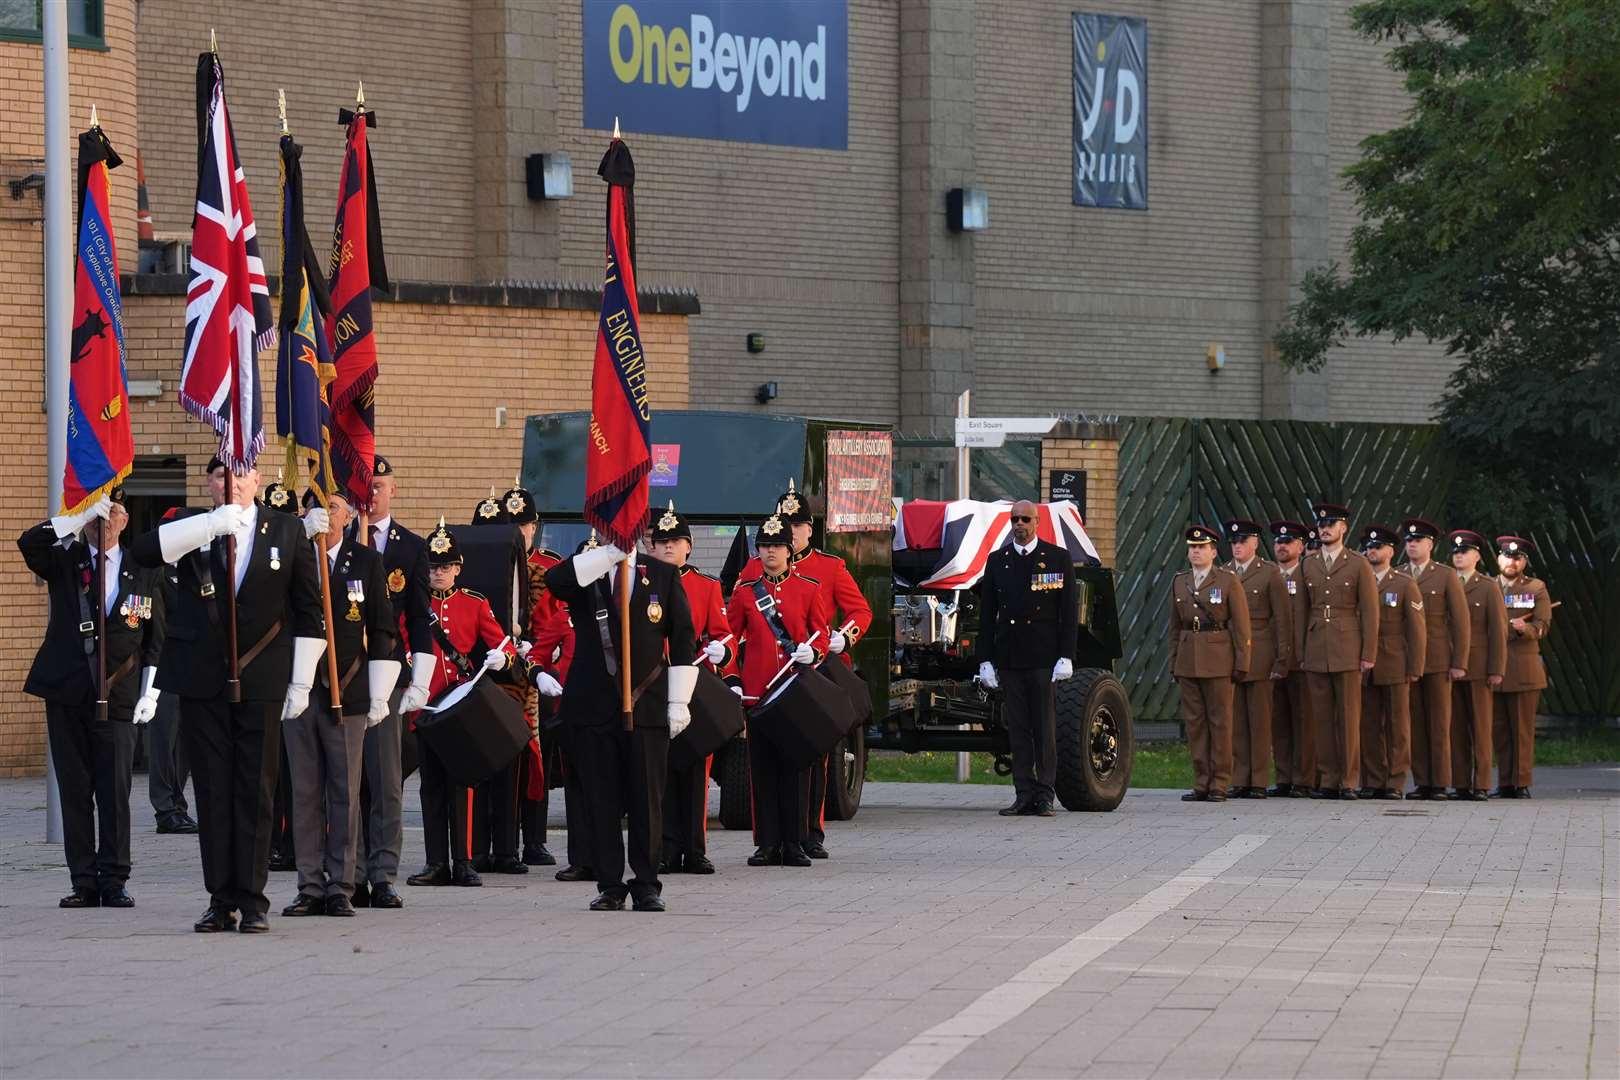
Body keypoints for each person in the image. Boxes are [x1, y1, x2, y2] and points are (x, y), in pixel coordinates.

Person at [128, 457, 325, 933]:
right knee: (213, 791)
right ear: (209, 481)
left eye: (240, 473)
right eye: (219, 474)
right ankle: (220, 898)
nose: (230, 482)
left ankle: (253, 899)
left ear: (258, 480)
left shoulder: (284, 530)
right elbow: (143, 553)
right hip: (201, 679)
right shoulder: (192, 527)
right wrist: (210, 526)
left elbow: (307, 609)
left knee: (256, 789)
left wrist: (301, 680)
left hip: (262, 678)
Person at [18, 487, 165, 908]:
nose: (104, 524)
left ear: (124, 520)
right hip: (67, 691)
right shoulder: (67, 561)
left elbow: (155, 638)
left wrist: (150, 689)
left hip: (118, 694)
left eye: (111, 514)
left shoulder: (142, 569)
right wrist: (75, 517)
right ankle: (83, 880)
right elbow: (28, 543)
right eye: (97, 517)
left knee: (115, 790)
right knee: (75, 788)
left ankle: (114, 878)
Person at [543, 529, 696, 911]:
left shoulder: (661, 574)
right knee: (602, 799)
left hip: (646, 706)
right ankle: (610, 884)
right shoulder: (589, 572)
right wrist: (608, 555)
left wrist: (679, 700)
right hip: (594, 707)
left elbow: (681, 640)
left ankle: (646, 883)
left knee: (647, 799)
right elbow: (554, 581)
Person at [279, 491, 397, 918]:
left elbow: (383, 627)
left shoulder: (365, 562)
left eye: (331, 506)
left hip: (348, 692)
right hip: (301, 691)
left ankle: (342, 885)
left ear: (349, 516)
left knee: (344, 791)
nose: (324, 514)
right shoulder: (296, 560)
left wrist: (381, 688)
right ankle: (309, 884)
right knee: (305, 789)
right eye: (316, 507)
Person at [740, 481, 873, 857]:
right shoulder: (755, 568)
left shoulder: (828, 568)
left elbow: (860, 611)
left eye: (796, 525)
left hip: (814, 673)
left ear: (808, 529)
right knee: (766, 762)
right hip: (769, 677)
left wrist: (843, 638)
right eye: (783, 523)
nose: (789, 531)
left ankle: (809, 831)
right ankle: (772, 838)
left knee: (813, 757)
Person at [400, 519, 515, 888]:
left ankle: (463, 861)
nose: (439, 573)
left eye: (446, 566)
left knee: (461, 786)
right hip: (426, 704)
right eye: (433, 566)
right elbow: (402, 644)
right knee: (431, 786)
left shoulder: (475, 603)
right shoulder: (413, 604)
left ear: (458, 568)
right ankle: (436, 862)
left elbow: (503, 644)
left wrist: (503, 658)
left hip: (460, 706)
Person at [352, 454, 431, 910]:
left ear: (394, 489)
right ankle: (352, 871)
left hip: (389, 675)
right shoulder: (340, 542)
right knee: (348, 781)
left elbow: (420, 618)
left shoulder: (410, 547)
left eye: (380, 484)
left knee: (385, 781)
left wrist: (419, 678)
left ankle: (382, 874)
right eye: (368, 485)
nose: (373, 493)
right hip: (344, 675)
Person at [729, 508, 829, 866]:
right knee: (763, 770)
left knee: (797, 769)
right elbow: (730, 638)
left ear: (790, 551)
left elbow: (822, 635)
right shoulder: (744, 593)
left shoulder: (809, 589)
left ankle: (796, 840)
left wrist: (811, 651)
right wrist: (732, 678)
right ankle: (767, 842)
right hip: (759, 692)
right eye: (764, 546)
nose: (770, 552)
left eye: (777, 546)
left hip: (795, 692)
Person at [976, 498, 1078, 816]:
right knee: (1018, 728)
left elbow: (1068, 612)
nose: (1019, 524)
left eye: (1025, 519)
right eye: (1014, 519)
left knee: (1044, 727)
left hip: (1043, 656)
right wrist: (985, 660)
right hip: (1010, 655)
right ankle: (1023, 792)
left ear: (1037, 523)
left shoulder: (1057, 559)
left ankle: (1045, 794)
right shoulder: (998, 560)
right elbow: (987, 614)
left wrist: (1066, 656)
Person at [649, 501, 734, 875]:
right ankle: (667, 848)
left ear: (689, 546)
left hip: (694, 685)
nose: (668, 547)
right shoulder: (643, 582)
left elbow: (724, 635)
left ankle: (695, 849)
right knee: (662, 769)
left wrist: (723, 650)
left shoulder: (706, 585)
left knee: (697, 769)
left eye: (676, 541)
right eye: (661, 541)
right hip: (654, 685)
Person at [1299, 503, 1378, 799]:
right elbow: (1301, 611)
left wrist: (1368, 652)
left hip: (1347, 646)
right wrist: (1302, 652)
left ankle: (1348, 780)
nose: (1325, 528)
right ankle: (1328, 779)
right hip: (1317, 645)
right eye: (1321, 524)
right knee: (1321, 718)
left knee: (1348, 716)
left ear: (1344, 528)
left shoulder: (1358, 564)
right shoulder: (1308, 564)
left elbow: (1370, 612)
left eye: (1331, 523)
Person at [1167, 525, 1251, 802]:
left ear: (1214, 552)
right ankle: (1201, 781)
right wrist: (1174, 662)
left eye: (1202, 547)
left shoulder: (1227, 581)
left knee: (1221, 723)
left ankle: (1220, 783)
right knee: (1195, 724)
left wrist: (1242, 662)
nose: (1196, 552)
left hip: (1218, 659)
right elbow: (1175, 628)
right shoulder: (1180, 581)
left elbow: (1240, 626)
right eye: (1192, 548)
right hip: (1189, 659)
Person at [1399, 517, 1470, 800]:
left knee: (1439, 723)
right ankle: (1422, 781)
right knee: (1414, 723)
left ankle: (1440, 782)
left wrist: (1459, 662)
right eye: (1408, 541)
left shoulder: (1445, 575)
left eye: (1417, 541)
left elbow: (1460, 621)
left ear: (1430, 544)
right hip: (1405, 659)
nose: (1412, 545)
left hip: (1438, 658)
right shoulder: (1399, 574)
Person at [1357, 524, 1425, 799]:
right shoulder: (1358, 580)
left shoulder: (1404, 583)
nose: (1372, 551)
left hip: (1394, 661)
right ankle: (1372, 780)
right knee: (1369, 725)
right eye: (1369, 547)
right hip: (1363, 663)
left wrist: (1415, 666)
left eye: (1378, 547)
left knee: (1398, 726)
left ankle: (1395, 782)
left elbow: (1417, 629)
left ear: (1390, 551)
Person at [1224, 519, 1290, 798]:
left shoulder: (1270, 573)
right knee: (1237, 721)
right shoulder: (1224, 573)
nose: (1237, 546)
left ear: (1254, 544)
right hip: (1230, 653)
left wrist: (1282, 658)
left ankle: (1259, 781)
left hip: (1261, 652)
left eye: (1243, 542)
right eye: (1234, 542)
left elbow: (1283, 619)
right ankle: (1240, 778)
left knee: (1260, 721)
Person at [529, 590, 591, 882]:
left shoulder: (621, 613)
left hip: (612, 710)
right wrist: (541, 674)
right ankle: (581, 859)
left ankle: (609, 857)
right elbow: (535, 655)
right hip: (571, 709)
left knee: (609, 788)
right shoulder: (565, 617)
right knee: (577, 786)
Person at [259, 480, 300, 873]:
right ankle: (271, 841)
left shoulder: (300, 560)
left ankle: (291, 843)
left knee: (293, 770)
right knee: (269, 767)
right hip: (268, 670)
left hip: (297, 671)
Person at [147, 508, 196, 835]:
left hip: (191, 670)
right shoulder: (157, 573)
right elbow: (159, 626)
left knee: (184, 744)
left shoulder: (194, 570)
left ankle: (178, 803)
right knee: (164, 741)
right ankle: (165, 808)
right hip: (163, 667)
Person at [1447, 530, 1506, 801]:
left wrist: (1497, 668)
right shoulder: (1446, 581)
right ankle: (1460, 783)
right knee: (1456, 727)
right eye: (1456, 552)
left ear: (1477, 556)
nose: (1459, 556)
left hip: (1480, 665)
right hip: (1449, 663)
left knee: (1481, 726)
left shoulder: (1487, 586)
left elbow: (1498, 630)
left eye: (1465, 552)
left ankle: (1481, 783)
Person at [1492, 536, 1552, 799]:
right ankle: (1504, 782)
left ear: (1524, 561)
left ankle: (1521, 782)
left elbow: (1542, 624)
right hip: (1493, 667)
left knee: (1522, 730)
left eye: (1517, 558)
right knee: (1499, 730)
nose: (1511, 561)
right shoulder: (1487, 585)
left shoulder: (1536, 587)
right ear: (1498, 558)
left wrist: (1524, 628)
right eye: (1507, 556)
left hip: (1523, 668)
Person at [1267, 520, 1314, 797]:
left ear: (1301, 546)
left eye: (1288, 542)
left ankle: (1305, 778)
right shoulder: (1270, 575)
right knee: (1279, 722)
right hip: (1273, 659)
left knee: (1304, 721)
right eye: (1278, 542)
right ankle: (1284, 777)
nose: (1282, 546)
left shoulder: (1308, 575)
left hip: (1302, 659)